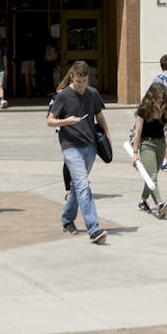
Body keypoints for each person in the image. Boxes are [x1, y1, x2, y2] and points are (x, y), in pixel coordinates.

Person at [47, 60, 111, 243]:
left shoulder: (93, 94)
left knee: (78, 187)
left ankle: (67, 220)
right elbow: (50, 121)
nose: (81, 85)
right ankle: (94, 228)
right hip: (70, 147)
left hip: (90, 147)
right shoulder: (63, 96)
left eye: (84, 81)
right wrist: (67, 121)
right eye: (78, 81)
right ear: (72, 77)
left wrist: (107, 135)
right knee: (83, 185)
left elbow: (99, 116)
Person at [130, 81, 167, 218]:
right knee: (152, 175)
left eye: (163, 97)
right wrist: (135, 153)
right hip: (147, 145)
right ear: (151, 97)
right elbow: (137, 133)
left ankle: (143, 201)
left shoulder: (166, 109)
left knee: (152, 175)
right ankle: (159, 204)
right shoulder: (143, 110)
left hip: (160, 145)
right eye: (158, 97)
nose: (161, 100)